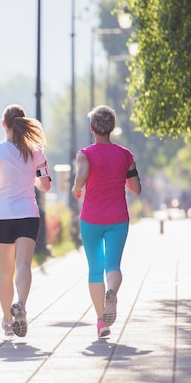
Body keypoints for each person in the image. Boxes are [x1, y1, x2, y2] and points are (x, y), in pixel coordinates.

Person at [0, 104, 51, 339]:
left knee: (6, 270)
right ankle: (21, 304)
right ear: (23, 123)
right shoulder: (36, 151)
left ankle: (8, 321)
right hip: (27, 214)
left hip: (1, 216)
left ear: (4, 124)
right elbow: (45, 184)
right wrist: (34, 179)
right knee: (24, 265)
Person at [71, 105, 142, 338]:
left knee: (94, 270)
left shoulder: (85, 154)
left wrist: (76, 188)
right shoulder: (125, 155)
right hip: (118, 219)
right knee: (113, 266)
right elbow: (136, 189)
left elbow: (81, 176)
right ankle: (112, 291)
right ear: (112, 128)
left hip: (91, 219)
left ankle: (102, 322)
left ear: (92, 128)